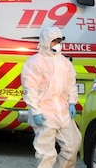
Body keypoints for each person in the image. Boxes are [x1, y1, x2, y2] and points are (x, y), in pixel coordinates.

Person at [20, 26, 80, 168]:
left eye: (59, 40)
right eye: (54, 41)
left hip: (63, 113)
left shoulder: (65, 63)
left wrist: (72, 102)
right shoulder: (34, 63)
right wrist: (36, 111)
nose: (58, 44)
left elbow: (71, 84)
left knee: (73, 145)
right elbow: (30, 89)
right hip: (44, 113)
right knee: (46, 154)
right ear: (46, 42)